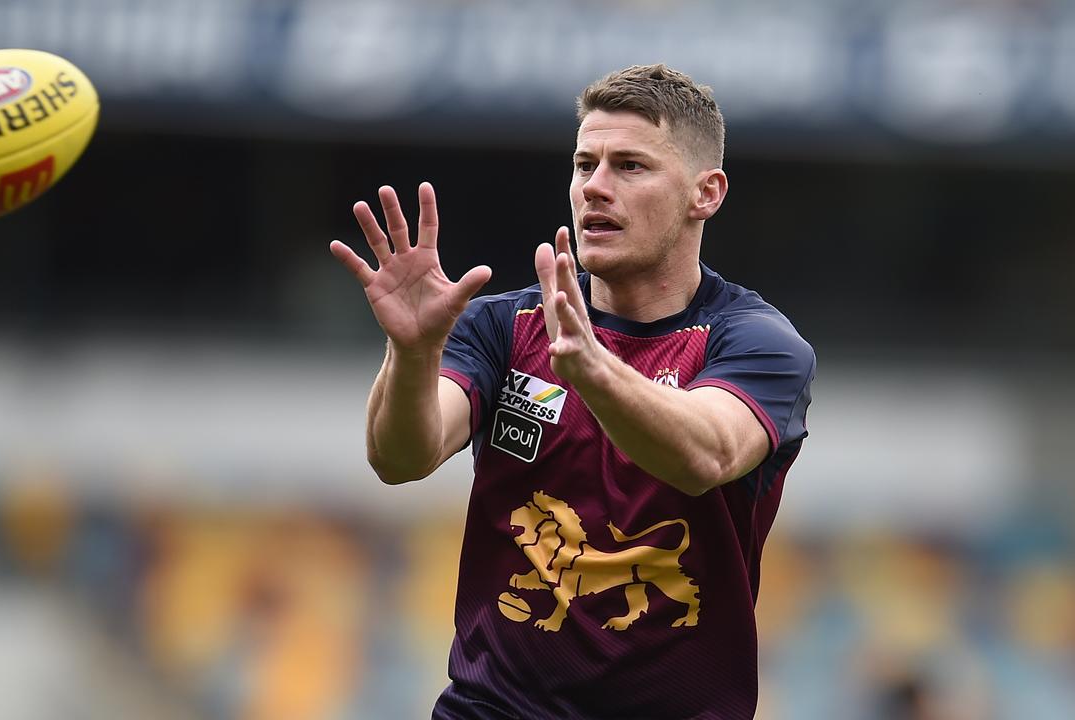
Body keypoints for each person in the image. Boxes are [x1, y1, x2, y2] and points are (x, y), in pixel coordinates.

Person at [329, 64, 815, 719]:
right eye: (585, 165)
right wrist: (411, 355)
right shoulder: (505, 325)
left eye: (631, 167)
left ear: (707, 193)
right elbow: (401, 458)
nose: (596, 188)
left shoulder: (757, 343)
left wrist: (591, 367)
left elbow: (706, 456)